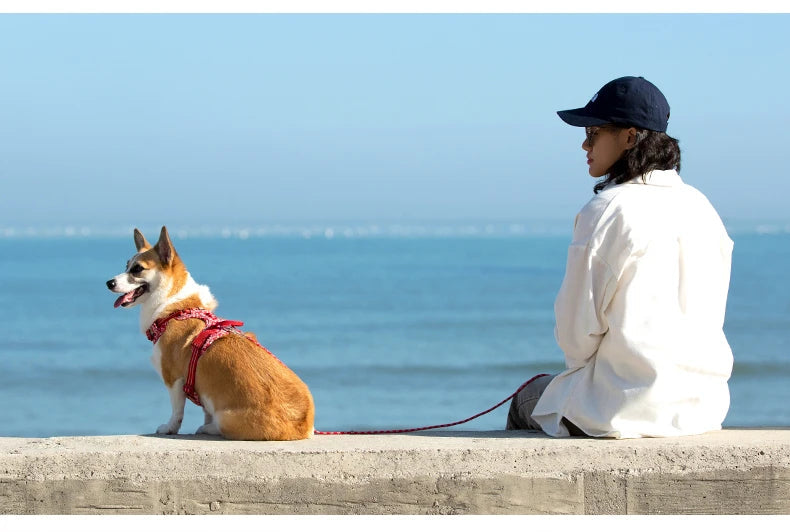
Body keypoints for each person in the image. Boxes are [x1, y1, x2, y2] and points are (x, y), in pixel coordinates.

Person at [506, 76, 734, 438]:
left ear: (630, 136)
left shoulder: (607, 209)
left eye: (594, 131)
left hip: (620, 409)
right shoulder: (703, 207)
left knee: (525, 399)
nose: (584, 143)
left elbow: (576, 339)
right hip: (703, 408)